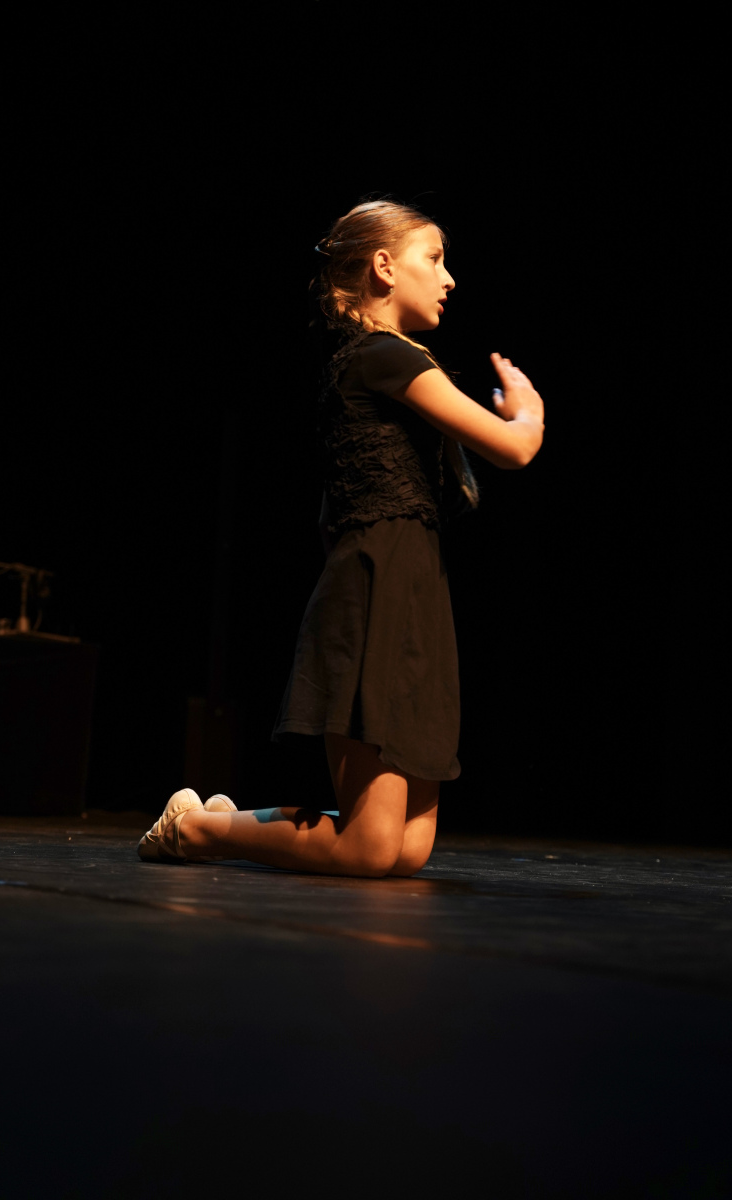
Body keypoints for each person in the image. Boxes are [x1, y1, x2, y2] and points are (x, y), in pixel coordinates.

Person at [138, 199, 544, 877]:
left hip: (413, 583)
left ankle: (213, 821)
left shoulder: (374, 361)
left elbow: (332, 509)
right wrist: (527, 411)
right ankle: (198, 828)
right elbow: (514, 448)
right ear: (384, 266)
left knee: (406, 851)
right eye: (434, 258)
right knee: (371, 848)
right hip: (379, 581)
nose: (448, 278)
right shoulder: (383, 356)